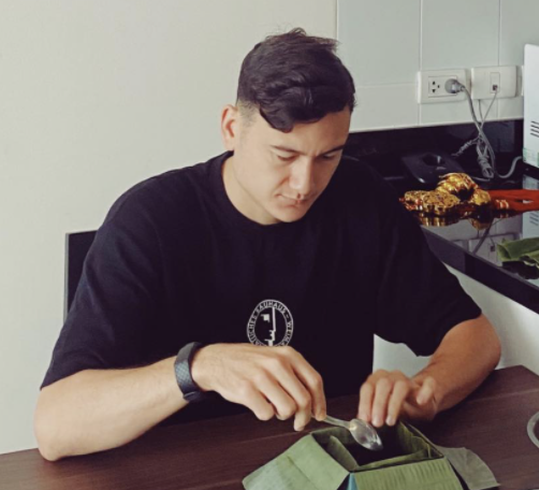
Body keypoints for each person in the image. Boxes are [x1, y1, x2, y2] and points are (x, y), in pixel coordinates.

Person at [34, 28, 501, 462]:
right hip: (180, 471)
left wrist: (426, 392)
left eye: (328, 156)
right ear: (231, 128)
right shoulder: (150, 220)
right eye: (284, 154)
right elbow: (55, 426)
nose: (304, 183)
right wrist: (197, 368)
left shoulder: (360, 199)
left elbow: (475, 338)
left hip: (326, 467)